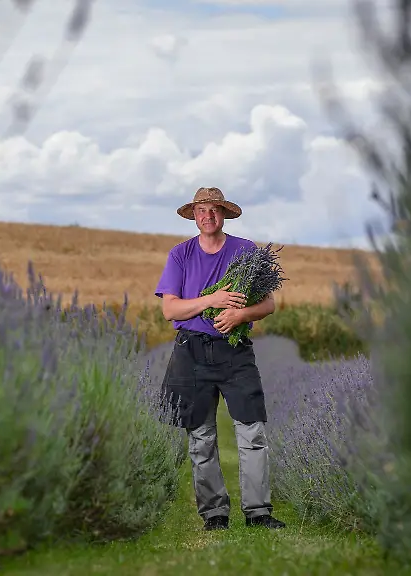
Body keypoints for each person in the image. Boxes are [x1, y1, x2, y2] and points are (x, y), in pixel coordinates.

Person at [153, 186, 287, 531]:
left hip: (235, 351)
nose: (208, 216)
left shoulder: (246, 251)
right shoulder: (180, 255)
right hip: (191, 352)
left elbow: (268, 303)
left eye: (214, 209)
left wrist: (241, 315)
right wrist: (212, 300)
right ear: (194, 216)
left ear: (224, 213)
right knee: (201, 437)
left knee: (252, 431)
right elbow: (170, 310)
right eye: (202, 210)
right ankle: (215, 515)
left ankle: (258, 512)